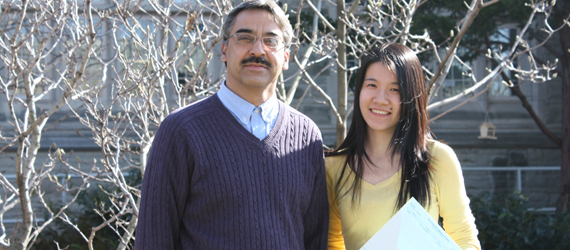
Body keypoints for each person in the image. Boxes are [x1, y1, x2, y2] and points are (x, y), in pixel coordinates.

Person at [134, 0, 328, 249]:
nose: (258, 50)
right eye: (245, 38)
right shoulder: (181, 131)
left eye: (270, 40)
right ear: (224, 50)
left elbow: (316, 239)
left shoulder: (307, 137)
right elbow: (154, 239)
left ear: (286, 57)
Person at [326, 43, 481, 250]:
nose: (380, 99)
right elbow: (331, 243)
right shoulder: (334, 168)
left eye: (395, 90)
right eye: (371, 85)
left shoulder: (437, 159)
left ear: (411, 97)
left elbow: (465, 240)